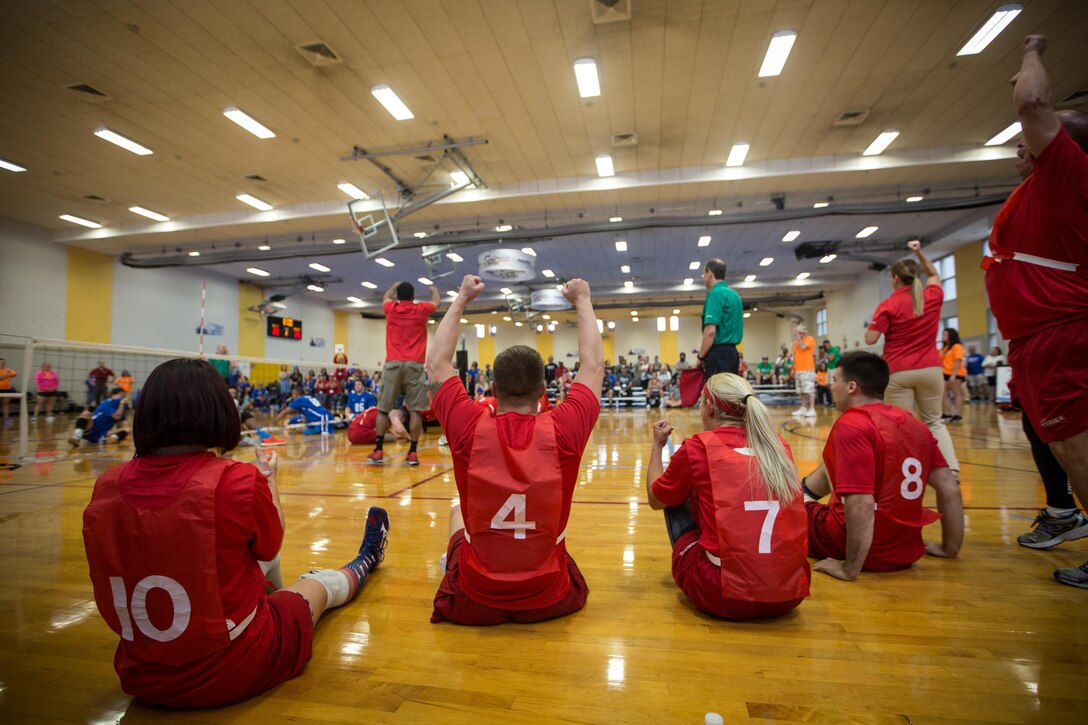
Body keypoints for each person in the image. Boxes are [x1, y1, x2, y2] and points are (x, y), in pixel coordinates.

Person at [81, 358, 389, 707]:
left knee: (231, 558)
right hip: (230, 668)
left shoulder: (106, 485)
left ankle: (268, 601)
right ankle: (366, 558)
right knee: (319, 584)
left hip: (142, 675)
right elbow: (271, 546)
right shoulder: (234, 480)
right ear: (216, 410)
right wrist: (268, 480)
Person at [425, 275, 603, 625]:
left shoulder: (468, 426)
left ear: (493, 388)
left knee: (457, 512)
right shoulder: (564, 429)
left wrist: (462, 297)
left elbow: (436, 365)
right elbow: (593, 367)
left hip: (476, 595)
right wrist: (583, 300)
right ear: (543, 391)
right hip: (549, 596)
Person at [981, 35, 1088, 588]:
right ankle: (1064, 513)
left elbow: (1032, 102)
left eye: (1031, 139)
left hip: (1059, 334)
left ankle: (1068, 516)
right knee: (1059, 443)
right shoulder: (1039, 190)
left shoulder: (1068, 175)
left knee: (1075, 447)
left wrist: (1032, 50)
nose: (1020, 144)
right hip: (1038, 341)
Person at [646, 373, 810, 619]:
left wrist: (658, 445)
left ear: (710, 406)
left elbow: (655, 499)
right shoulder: (778, 445)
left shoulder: (697, 448)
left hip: (722, 594)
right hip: (789, 592)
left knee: (673, 494)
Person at [801, 352, 964, 579]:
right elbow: (949, 487)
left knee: (782, 509)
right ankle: (804, 491)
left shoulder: (852, 423)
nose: (831, 386)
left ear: (851, 387)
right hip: (905, 549)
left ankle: (801, 495)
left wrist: (850, 568)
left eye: (835, 380)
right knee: (836, 461)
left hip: (854, 546)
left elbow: (862, 504)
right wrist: (949, 548)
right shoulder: (915, 424)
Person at [865, 240, 959, 474]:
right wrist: (919, 252)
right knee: (934, 422)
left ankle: (904, 475)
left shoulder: (889, 305)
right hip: (931, 369)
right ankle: (951, 472)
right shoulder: (932, 296)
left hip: (899, 370)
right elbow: (934, 274)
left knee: (900, 425)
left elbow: (870, 339)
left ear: (895, 279)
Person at [370, 281, 440, 466]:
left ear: (398, 296)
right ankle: (413, 452)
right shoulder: (421, 309)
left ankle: (378, 450)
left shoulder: (391, 308)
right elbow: (437, 303)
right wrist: (433, 290)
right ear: (413, 296)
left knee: (383, 409)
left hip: (393, 364)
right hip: (415, 366)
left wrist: (393, 286)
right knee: (415, 410)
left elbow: (385, 297)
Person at [695, 258, 743, 380]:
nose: (703, 277)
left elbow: (710, 331)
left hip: (718, 353)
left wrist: (701, 356)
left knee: (715, 391)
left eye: (704, 274)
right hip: (733, 354)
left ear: (710, 273)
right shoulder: (735, 295)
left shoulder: (715, 294)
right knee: (729, 390)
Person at [940, 328, 966, 422]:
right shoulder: (945, 347)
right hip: (944, 373)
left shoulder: (957, 346)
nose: (943, 336)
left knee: (957, 393)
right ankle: (947, 413)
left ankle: (958, 415)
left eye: (945, 334)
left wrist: (953, 375)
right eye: (943, 334)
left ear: (951, 335)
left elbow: (958, 360)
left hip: (956, 373)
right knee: (944, 393)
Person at [791, 324, 817, 417]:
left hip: (808, 369)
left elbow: (803, 346)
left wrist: (799, 338)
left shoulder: (810, 339)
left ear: (802, 332)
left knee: (810, 390)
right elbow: (795, 356)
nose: (796, 334)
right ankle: (803, 408)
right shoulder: (795, 343)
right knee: (801, 390)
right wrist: (793, 368)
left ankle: (812, 408)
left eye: (797, 333)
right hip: (798, 369)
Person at [0, 358, 17, 424]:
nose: (2, 364)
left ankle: (6, 419)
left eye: (3, 362)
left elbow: (15, 374)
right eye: (1, 362)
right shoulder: (6, 371)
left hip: (7, 389)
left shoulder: (6, 370)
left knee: (6, 404)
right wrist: (7, 373)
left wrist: (10, 371)